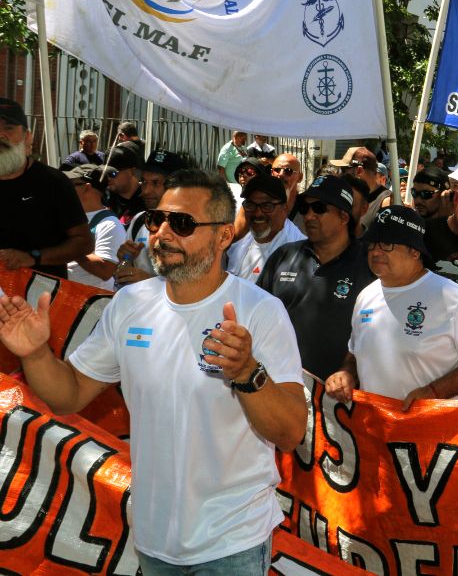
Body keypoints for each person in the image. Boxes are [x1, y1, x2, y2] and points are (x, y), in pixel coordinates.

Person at [0, 168, 307, 572]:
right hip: (153, 537)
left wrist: (247, 372)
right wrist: (36, 354)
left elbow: (290, 434)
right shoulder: (130, 305)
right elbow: (68, 395)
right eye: (156, 220)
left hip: (234, 540)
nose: (162, 233)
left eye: (182, 223)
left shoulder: (261, 310)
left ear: (222, 237)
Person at [326, 205, 458, 408]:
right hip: (374, 431)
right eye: (372, 244)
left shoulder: (449, 296)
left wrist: (433, 391)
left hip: (429, 431)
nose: (375, 252)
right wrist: (346, 372)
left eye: (386, 244)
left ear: (414, 251)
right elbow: (355, 351)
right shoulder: (366, 296)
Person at [257, 175, 373, 380]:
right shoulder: (283, 256)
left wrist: (350, 370)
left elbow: (379, 333)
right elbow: (257, 315)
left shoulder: (369, 265)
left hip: (339, 398)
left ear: (344, 217)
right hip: (279, 384)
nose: (309, 216)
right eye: (305, 208)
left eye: (319, 208)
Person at [0, 98, 93, 279]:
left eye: (9, 127)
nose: (1, 135)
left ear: (28, 136)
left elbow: (84, 243)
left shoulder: (53, 182)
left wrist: (33, 257)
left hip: (40, 297)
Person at [113, 150, 188, 287]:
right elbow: (122, 277)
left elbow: (199, 287)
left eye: (155, 183)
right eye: (144, 182)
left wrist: (148, 283)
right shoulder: (139, 220)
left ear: (177, 186)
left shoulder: (192, 227)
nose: (146, 191)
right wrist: (126, 259)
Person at [227, 175, 305, 282]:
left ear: (284, 209)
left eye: (267, 206)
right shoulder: (240, 241)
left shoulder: (299, 253)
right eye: (251, 205)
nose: (257, 213)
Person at [65, 164, 127, 291]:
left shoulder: (110, 224)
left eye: (70, 185)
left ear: (86, 188)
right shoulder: (69, 216)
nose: (64, 188)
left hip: (91, 305)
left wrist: (71, 248)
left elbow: (106, 271)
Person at [334, 146, 391, 230]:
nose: (340, 175)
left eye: (343, 170)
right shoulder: (351, 196)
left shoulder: (386, 201)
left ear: (359, 171)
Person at [104, 143, 146, 225]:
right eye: (105, 173)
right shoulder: (103, 198)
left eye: (113, 173)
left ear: (132, 171)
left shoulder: (147, 200)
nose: (108, 178)